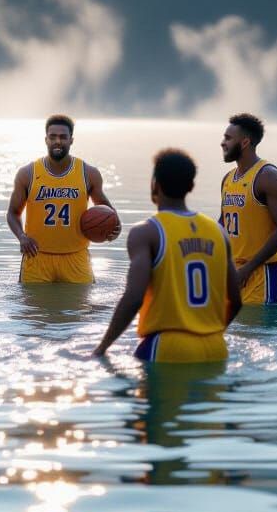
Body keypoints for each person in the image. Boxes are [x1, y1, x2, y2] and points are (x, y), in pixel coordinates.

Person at [93, 149, 241, 362]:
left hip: (166, 348)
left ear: (154, 184)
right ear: (191, 187)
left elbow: (134, 298)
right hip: (216, 348)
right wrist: (210, 331)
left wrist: (102, 348)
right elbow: (235, 300)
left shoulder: (146, 232)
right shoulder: (219, 233)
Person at [7, 114, 121, 284]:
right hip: (37, 256)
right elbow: (13, 213)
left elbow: (109, 213)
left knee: (81, 309)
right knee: (33, 310)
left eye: (63, 137)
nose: (57, 141)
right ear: (46, 140)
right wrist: (22, 237)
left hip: (76, 257)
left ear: (71, 140)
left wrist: (114, 229)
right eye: (53, 137)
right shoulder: (28, 173)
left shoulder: (88, 173)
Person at [219, 113, 277, 304]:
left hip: (265, 275)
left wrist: (247, 269)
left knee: (259, 334)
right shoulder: (228, 179)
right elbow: (224, 224)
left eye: (228, 138)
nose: (222, 143)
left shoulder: (268, 176)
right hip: (237, 274)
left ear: (244, 142)